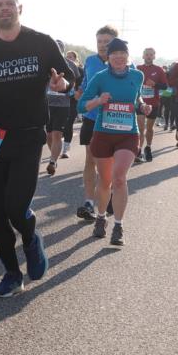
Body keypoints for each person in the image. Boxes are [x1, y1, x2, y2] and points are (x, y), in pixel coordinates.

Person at [0, 0, 73, 297]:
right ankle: (12, 274)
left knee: (15, 208)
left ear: (20, 8)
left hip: (27, 137)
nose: (5, 8)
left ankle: (30, 236)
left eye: (10, 3)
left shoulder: (41, 42)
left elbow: (68, 75)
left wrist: (63, 83)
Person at [77, 38, 149, 246]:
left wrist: (142, 106)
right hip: (103, 133)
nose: (118, 57)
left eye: (122, 53)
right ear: (108, 57)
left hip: (128, 134)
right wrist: (99, 101)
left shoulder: (137, 75)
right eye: (114, 54)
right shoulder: (100, 77)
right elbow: (81, 106)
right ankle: (101, 217)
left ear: (128, 56)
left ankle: (118, 225)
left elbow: (137, 99)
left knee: (119, 178)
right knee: (105, 180)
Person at [75, 25, 118, 220]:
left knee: (109, 163)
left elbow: (133, 91)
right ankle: (88, 202)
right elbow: (85, 84)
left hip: (114, 120)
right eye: (99, 41)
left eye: (106, 42)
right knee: (90, 160)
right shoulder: (90, 61)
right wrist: (79, 93)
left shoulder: (125, 64)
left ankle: (106, 195)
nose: (102, 45)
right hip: (92, 118)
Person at [45, 39, 79, 175]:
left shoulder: (70, 64)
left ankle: (52, 161)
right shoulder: (45, 63)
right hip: (47, 104)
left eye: (59, 48)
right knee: (48, 135)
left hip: (63, 105)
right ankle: (54, 156)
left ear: (62, 50)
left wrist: (69, 89)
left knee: (57, 134)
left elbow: (75, 80)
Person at [136, 46, 168, 162]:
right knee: (140, 127)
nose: (149, 56)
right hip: (140, 103)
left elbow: (165, 86)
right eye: (147, 54)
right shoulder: (138, 68)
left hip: (153, 103)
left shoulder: (159, 70)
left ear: (154, 56)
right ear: (143, 56)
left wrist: (154, 84)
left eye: (151, 54)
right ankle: (138, 150)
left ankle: (148, 147)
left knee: (149, 128)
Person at [60, 50, 83, 159]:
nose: (68, 58)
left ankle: (66, 149)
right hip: (59, 101)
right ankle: (58, 146)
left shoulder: (79, 70)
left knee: (68, 124)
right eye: (67, 56)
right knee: (59, 127)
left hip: (72, 101)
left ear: (75, 59)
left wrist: (76, 93)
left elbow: (82, 84)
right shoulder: (60, 69)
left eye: (71, 57)